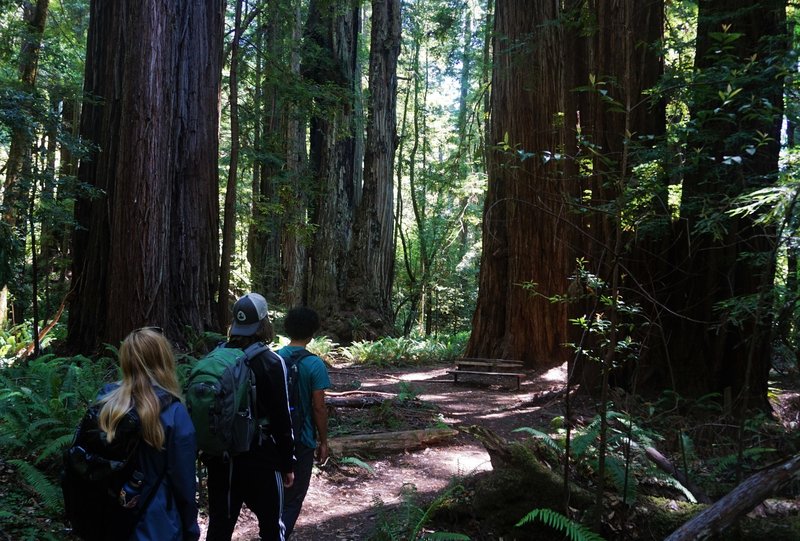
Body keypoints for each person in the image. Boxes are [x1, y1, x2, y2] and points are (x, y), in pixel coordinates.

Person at [205, 292, 296, 541]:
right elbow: (281, 418)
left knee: (219, 529)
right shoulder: (271, 362)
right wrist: (288, 463)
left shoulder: (215, 357)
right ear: (264, 323)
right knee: (271, 527)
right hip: (262, 458)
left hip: (221, 459)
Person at [96, 327, 200, 540]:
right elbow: (184, 485)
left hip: (108, 520)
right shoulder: (174, 413)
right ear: (163, 360)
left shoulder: (104, 403)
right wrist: (190, 529)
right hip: (157, 526)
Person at [277, 307, 331, 538]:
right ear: (312, 333)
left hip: (274, 439)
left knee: (276, 495)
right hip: (303, 440)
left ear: (288, 330)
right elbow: (319, 407)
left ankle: (272, 531)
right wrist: (324, 441)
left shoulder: (274, 357)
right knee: (294, 498)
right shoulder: (315, 365)